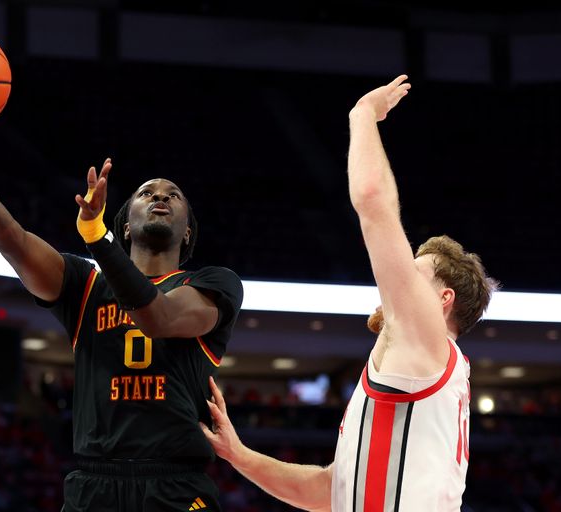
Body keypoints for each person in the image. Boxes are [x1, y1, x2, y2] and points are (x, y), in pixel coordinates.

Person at [0, 82, 244, 511]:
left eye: (173, 195)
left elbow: (157, 317)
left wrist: (96, 238)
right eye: (146, 193)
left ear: (188, 230)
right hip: (94, 485)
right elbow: (8, 238)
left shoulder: (214, 284)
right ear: (125, 226)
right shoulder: (83, 285)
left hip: (176, 486)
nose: (160, 196)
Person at [200, 75, 498, 511]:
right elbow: (329, 490)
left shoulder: (426, 343)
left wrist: (363, 114)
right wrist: (239, 454)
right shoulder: (414, 374)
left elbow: (374, 200)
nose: (397, 281)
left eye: (414, 273)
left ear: (443, 300)